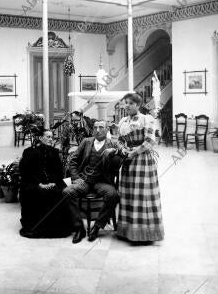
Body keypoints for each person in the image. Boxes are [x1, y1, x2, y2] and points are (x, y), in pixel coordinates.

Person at [116, 92, 164, 243]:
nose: (127, 106)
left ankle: (145, 234)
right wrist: (123, 150)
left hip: (142, 161)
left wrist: (134, 153)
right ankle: (127, 231)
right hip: (128, 161)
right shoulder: (123, 120)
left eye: (130, 103)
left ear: (137, 105)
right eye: (126, 103)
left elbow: (150, 141)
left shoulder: (146, 119)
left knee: (142, 196)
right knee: (128, 194)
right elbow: (119, 140)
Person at [63, 120, 121, 244]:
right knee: (67, 192)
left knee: (113, 195)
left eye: (101, 127)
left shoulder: (113, 144)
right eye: (95, 127)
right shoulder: (86, 142)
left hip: (102, 182)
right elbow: (73, 161)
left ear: (106, 130)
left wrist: (114, 152)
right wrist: (75, 177)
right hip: (84, 180)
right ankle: (79, 228)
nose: (98, 130)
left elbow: (118, 163)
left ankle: (97, 227)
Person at [19, 129, 73, 238]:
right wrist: (39, 184)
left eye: (51, 137)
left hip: (52, 183)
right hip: (34, 183)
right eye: (48, 137)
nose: (50, 139)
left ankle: (56, 227)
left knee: (58, 193)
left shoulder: (54, 152)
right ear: (40, 138)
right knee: (36, 194)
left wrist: (53, 183)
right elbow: (27, 172)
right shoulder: (29, 152)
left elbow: (58, 172)